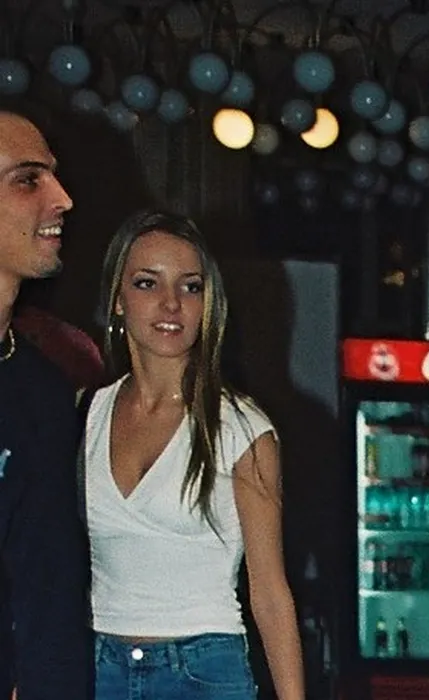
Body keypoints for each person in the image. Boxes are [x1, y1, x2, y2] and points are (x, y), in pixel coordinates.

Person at [82, 210, 304, 699]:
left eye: (190, 287)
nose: (171, 303)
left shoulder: (241, 428)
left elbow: (270, 593)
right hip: (97, 669)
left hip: (203, 672)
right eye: (147, 283)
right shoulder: (86, 415)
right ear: (117, 300)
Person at [0, 106, 95, 699]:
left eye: (54, 176)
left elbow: (49, 593)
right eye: (28, 180)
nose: (62, 199)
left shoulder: (42, 391)